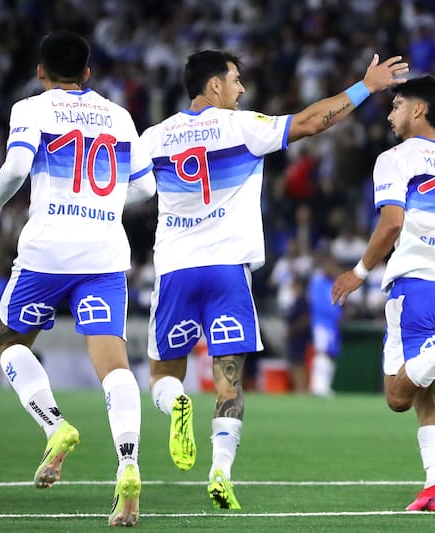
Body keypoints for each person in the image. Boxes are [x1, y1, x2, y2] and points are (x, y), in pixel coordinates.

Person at [139, 48, 408, 509]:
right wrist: (368, 86)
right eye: (236, 80)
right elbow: (311, 122)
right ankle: (220, 471)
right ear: (214, 86)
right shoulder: (241, 126)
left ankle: (176, 404)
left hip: (176, 269)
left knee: (164, 376)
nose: (242, 90)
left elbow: (129, 188)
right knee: (230, 384)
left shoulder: (155, 136)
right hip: (227, 273)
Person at [0, 30, 156, 527]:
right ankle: (129, 465)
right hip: (103, 252)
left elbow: (15, 167)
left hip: (47, 250)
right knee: (114, 364)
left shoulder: (32, 109)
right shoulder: (119, 116)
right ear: (88, 74)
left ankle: (55, 426)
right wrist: (104, 204)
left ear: (40, 73)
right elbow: (146, 187)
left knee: (11, 339)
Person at [331, 75, 435, 512]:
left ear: (419, 110)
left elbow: (393, 223)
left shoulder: (395, 157)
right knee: (429, 396)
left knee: (397, 397)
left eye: (397, 105)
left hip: (418, 282)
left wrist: (359, 272)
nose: (389, 114)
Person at [308, 252, 345, 397]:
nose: (332, 269)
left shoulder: (333, 283)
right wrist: (338, 314)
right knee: (322, 352)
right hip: (321, 323)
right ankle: (318, 386)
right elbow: (318, 304)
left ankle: (324, 385)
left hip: (332, 325)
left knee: (330, 354)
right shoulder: (317, 282)